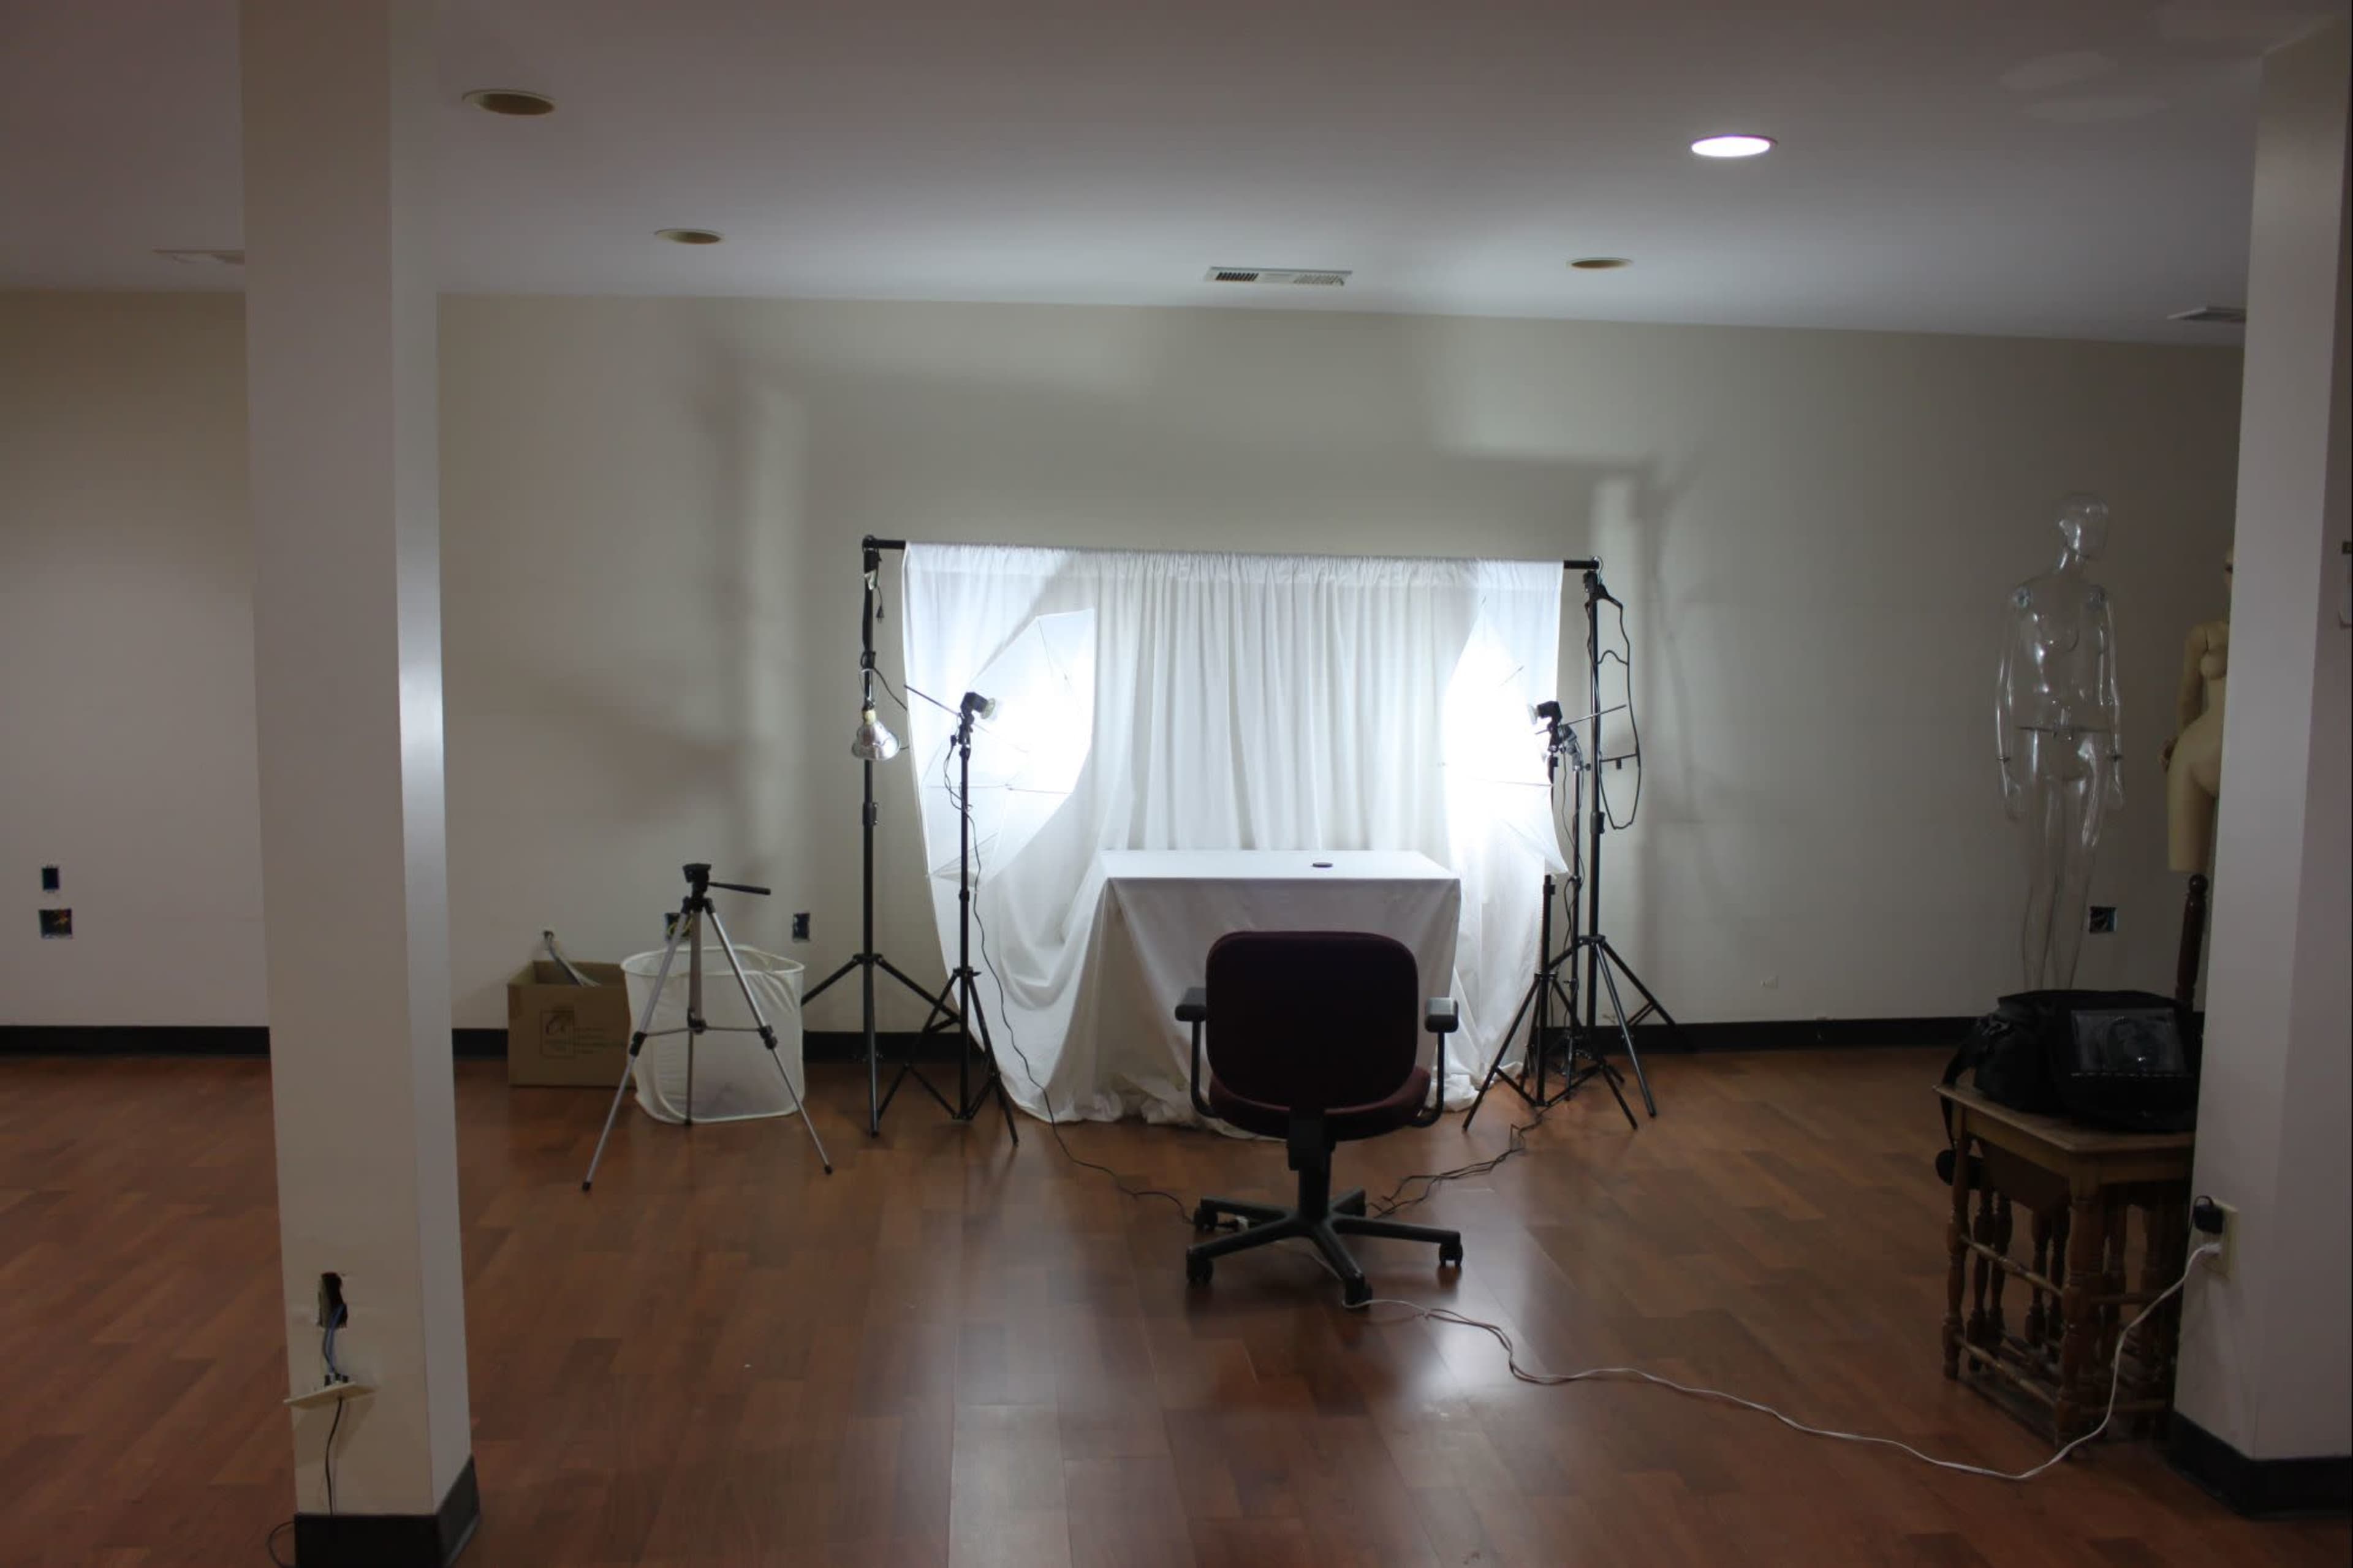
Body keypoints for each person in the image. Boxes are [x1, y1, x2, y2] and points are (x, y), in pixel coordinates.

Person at [1997, 494, 2122, 991]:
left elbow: (2112, 685)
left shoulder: (2100, 602)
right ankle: (2032, 1005)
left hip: (2092, 745)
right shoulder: (2025, 598)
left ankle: (2063, 1001)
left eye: (2103, 521)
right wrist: (2005, 765)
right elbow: (2006, 687)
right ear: (2067, 527)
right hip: (2037, 743)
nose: (2099, 530)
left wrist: (2118, 762)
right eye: (2091, 520)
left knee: (2078, 882)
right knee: (2043, 883)